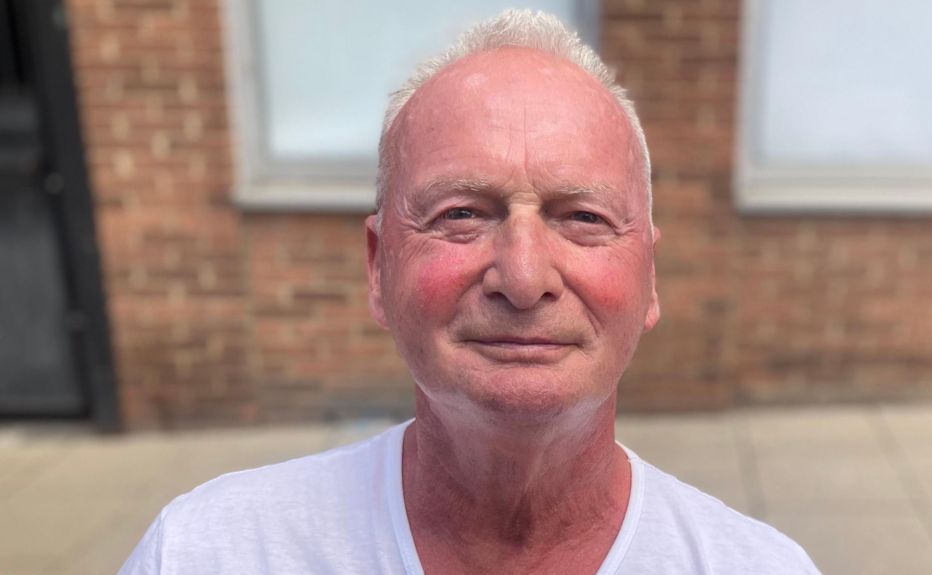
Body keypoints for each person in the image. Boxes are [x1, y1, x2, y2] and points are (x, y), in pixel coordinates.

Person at [120, 9, 819, 575]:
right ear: (378, 267)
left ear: (650, 277)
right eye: (461, 214)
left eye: (583, 218)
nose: (524, 278)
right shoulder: (206, 553)